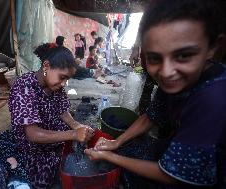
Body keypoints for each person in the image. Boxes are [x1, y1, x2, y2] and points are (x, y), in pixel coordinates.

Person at [85, 0, 226, 188]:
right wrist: (116, 143)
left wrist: (109, 155)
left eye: (183, 55)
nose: (166, 71)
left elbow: (171, 175)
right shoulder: (175, 80)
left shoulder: (214, 98)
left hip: (206, 175)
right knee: (128, 149)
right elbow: (151, 117)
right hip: (180, 150)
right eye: (154, 58)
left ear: (213, 48)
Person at [0, 43, 95, 189]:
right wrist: (73, 133)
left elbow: (63, 111)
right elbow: (32, 134)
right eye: (62, 77)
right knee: (41, 177)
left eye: (67, 79)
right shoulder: (24, 87)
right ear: (46, 66)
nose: (63, 84)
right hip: (30, 144)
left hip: (51, 133)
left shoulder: (55, 87)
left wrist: (76, 125)